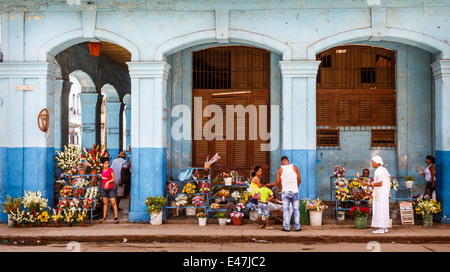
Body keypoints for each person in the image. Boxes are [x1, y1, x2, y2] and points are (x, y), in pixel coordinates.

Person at [276, 156, 301, 232]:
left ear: (282, 162)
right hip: (295, 191)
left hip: (285, 191)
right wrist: (296, 186)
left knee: (286, 209)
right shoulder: (295, 167)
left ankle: (287, 227)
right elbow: (299, 179)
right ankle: (297, 227)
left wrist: (279, 187)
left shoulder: (280, 169)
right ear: (288, 161)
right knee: (296, 209)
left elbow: (277, 182)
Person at [368, 155, 391, 234]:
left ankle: (381, 228)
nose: (371, 163)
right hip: (384, 192)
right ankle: (384, 227)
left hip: (380, 193)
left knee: (380, 209)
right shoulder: (384, 169)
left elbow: (380, 183)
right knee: (384, 209)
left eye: (372, 162)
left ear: (376, 163)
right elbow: (389, 178)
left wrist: (370, 184)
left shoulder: (378, 171)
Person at [99, 157, 119, 224]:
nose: (107, 165)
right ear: (102, 164)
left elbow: (113, 178)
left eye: (108, 163)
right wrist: (101, 176)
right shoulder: (102, 170)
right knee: (105, 203)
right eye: (105, 164)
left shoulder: (110, 170)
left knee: (113, 202)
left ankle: (116, 217)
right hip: (104, 189)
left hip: (111, 189)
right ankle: (104, 217)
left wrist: (108, 182)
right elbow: (104, 177)